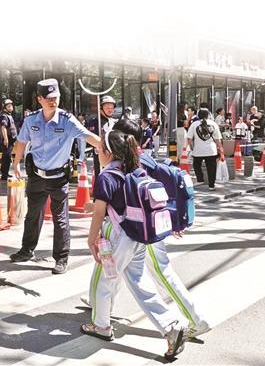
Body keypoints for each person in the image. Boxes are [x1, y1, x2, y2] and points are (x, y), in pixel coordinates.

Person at [80, 126, 189, 359]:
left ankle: (101, 326)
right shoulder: (134, 170)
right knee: (141, 284)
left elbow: (99, 212)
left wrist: (91, 240)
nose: (97, 154)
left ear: (109, 152)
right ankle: (171, 327)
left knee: (104, 280)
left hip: (117, 237)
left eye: (99, 150)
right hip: (138, 236)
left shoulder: (107, 176)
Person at [10, 79, 100, 274]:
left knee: (60, 220)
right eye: (48, 98)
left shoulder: (68, 121)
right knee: (32, 215)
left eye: (56, 97)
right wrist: (16, 163)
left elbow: (89, 137)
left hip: (58, 177)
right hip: (36, 176)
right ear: (39, 99)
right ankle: (27, 250)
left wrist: (110, 148)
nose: (53, 101)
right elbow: (21, 142)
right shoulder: (31, 120)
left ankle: (61, 258)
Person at [187, 108, 224, 190]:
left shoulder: (194, 124)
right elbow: (218, 139)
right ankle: (211, 185)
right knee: (211, 168)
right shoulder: (213, 124)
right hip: (211, 150)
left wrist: (192, 147)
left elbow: (189, 138)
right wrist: (220, 148)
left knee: (196, 165)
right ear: (208, 115)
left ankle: (200, 179)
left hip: (198, 150)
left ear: (198, 115)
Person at [85, 95, 117, 180]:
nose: (110, 110)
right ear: (101, 108)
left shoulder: (114, 122)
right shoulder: (95, 122)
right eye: (107, 108)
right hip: (101, 154)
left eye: (112, 108)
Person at [0, 99, 17, 180]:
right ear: (5, 107)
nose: (11, 107)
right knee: (6, 157)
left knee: (7, 157)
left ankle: (6, 173)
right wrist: (6, 139)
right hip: (7, 139)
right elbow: (3, 128)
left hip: (11, 139)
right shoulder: (4, 116)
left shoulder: (9, 115)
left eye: (11, 106)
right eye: (9, 106)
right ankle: (4, 175)